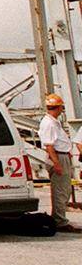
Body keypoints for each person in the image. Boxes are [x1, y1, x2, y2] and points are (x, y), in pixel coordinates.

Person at [39, 93, 81, 233]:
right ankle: (59, 221)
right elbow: (49, 146)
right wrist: (57, 163)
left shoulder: (53, 122)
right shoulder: (49, 124)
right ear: (58, 108)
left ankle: (58, 217)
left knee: (64, 189)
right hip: (57, 157)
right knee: (60, 190)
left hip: (61, 156)